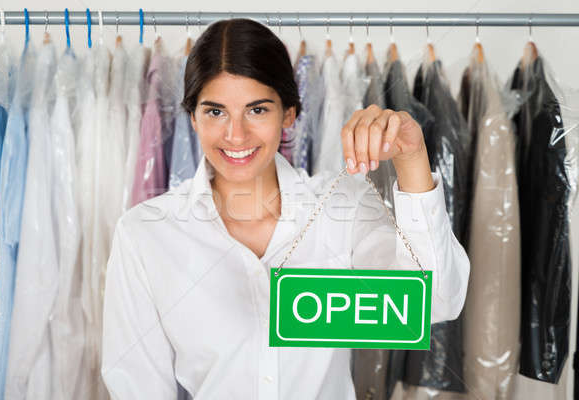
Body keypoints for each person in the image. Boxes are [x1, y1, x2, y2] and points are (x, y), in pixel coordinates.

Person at [101, 18, 470, 399]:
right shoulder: (146, 233)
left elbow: (436, 302)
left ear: (289, 114)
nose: (236, 134)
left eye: (257, 110)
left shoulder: (343, 206)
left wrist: (412, 159)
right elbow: (138, 386)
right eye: (215, 112)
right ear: (192, 117)